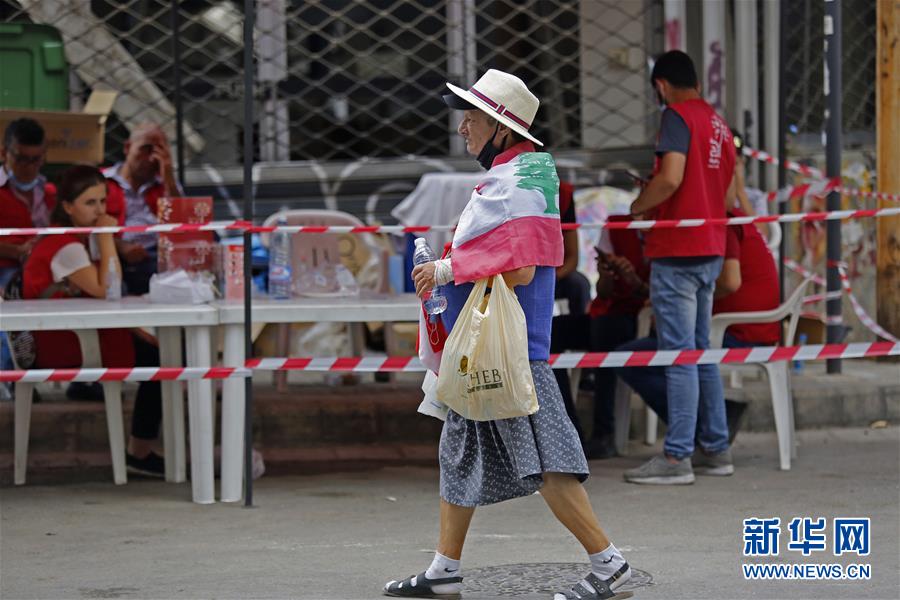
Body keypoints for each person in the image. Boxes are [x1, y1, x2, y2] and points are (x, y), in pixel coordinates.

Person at [384, 69, 632, 600]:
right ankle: (444, 569)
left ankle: (609, 564)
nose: (462, 128)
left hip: (511, 351)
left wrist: (448, 270)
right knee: (458, 453)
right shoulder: (515, 177)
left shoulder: (526, 178)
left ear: (500, 125)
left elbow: (520, 268)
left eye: (470, 117)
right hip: (483, 350)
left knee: (547, 463)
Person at [623, 50, 736, 485]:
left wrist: (639, 205)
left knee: (679, 356)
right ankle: (716, 448)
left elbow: (670, 178)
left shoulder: (676, 117)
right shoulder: (718, 124)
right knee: (700, 352)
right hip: (711, 246)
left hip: (678, 250)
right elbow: (725, 191)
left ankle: (676, 459)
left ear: (661, 86)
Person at [22, 165, 166, 477]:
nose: (100, 210)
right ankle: (139, 452)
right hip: (64, 346)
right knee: (158, 362)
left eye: (102, 202)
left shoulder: (75, 240)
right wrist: (106, 238)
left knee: (156, 351)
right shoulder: (69, 247)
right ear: (67, 207)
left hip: (75, 335)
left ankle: (142, 448)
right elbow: (108, 290)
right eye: (90, 203)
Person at [615, 207, 780, 444]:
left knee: (652, 358)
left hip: (736, 333)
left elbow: (729, 282)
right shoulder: (728, 218)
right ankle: (713, 428)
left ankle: (704, 430)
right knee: (685, 353)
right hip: (741, 330)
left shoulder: (722, 222)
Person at [551, 215, 649, 458]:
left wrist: (635, 283)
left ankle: (605, 432)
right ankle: (568, 430)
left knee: (606, 331)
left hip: (640, 318)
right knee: (551, 334)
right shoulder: (617, 226)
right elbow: (603, 293)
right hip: (605, 313)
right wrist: (607, 274)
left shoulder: (668, 231)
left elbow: (660, 298)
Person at [0, 118, 57, 382]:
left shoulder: (48, 192)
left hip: (40, 270)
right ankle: (10, 377)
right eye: (22, 159)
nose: (29, 168)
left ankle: (80, 374)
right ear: (4, 154)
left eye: (37, 160)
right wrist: (16, 251)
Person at [104, 123, 181, 295]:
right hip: (117, 256)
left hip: (159, 256)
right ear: (127, 148)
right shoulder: (103, 181)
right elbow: (86, 226)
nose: (152, 159)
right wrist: (119, 246)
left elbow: (185, 225)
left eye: (159, 151)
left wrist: (168, 175)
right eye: (146, 149)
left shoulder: (165, 184)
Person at [554, 181, 591, 315]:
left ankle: (579, 334)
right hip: (519, 274)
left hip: (552, 274)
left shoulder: (562, 194)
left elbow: (572, 257)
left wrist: (553, 277)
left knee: (579, 284)